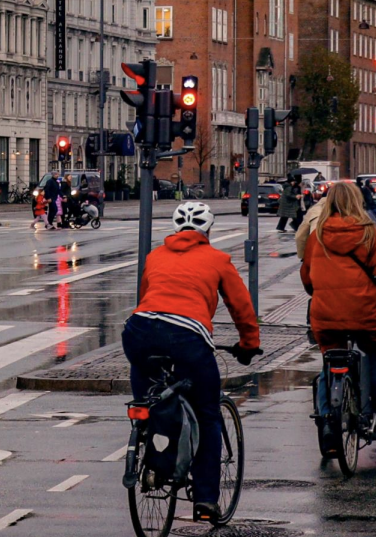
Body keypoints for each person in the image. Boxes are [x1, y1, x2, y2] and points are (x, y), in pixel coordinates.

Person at [123, 201, 260, 524]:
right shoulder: (218, 259)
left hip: (139, 331)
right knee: (208, 413)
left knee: (149, 400)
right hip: (186, 337)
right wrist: (249, 345)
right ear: (207, 230)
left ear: (175, 229)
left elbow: (145, 296)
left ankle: (152, 458)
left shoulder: (155, 256)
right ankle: (206, 499)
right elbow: (241, 306)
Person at [300, 182, 376, 415]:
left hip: (325, 315)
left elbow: (307, 278)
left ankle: (326, 421)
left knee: (331, 357)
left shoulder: (316, 236)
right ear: (358, 201)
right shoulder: (369, 233)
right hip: (364, 312)